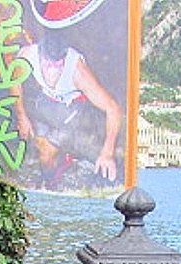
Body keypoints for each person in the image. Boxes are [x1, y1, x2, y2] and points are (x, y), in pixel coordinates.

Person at [11, 30, 123, 189]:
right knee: (40, 148)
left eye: (58, 65)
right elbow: (15, 83)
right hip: (46, 103)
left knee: (47, 150)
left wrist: (108, 152)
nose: (52, 71)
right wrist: (22, 116)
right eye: (48, 64)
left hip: (74, 111)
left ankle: (59, 170)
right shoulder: (27, 56)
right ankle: (53, 169)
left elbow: (113, 108)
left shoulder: (77, 70)